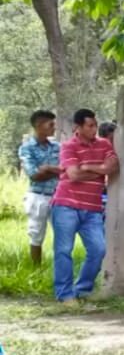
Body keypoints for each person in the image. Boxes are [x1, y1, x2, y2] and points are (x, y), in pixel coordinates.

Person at [50, 109, 118, 304]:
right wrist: (99, 171)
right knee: (63, 250)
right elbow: (73, 175)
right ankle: (64, 294)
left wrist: (87, 167)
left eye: (95, 125)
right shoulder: (68, 147)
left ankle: (82, 289)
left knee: (98, 249)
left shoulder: (104, 144)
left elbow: (112, 168)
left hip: (93, 208)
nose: (94, 129)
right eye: (90, 126)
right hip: (66, 204)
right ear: (77, 127)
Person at [19, 110, 60, 265]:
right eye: (50, 124)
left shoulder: (57, 146)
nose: (53, 127)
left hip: (58, 196)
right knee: (36, 234)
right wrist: (56, 170)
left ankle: (60, 268)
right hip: (38, 196)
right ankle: (36, 269)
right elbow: (33, 175)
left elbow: (66, 169)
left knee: (62, 234)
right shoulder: (27, 147)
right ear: (39, 125)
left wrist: (47, 168)